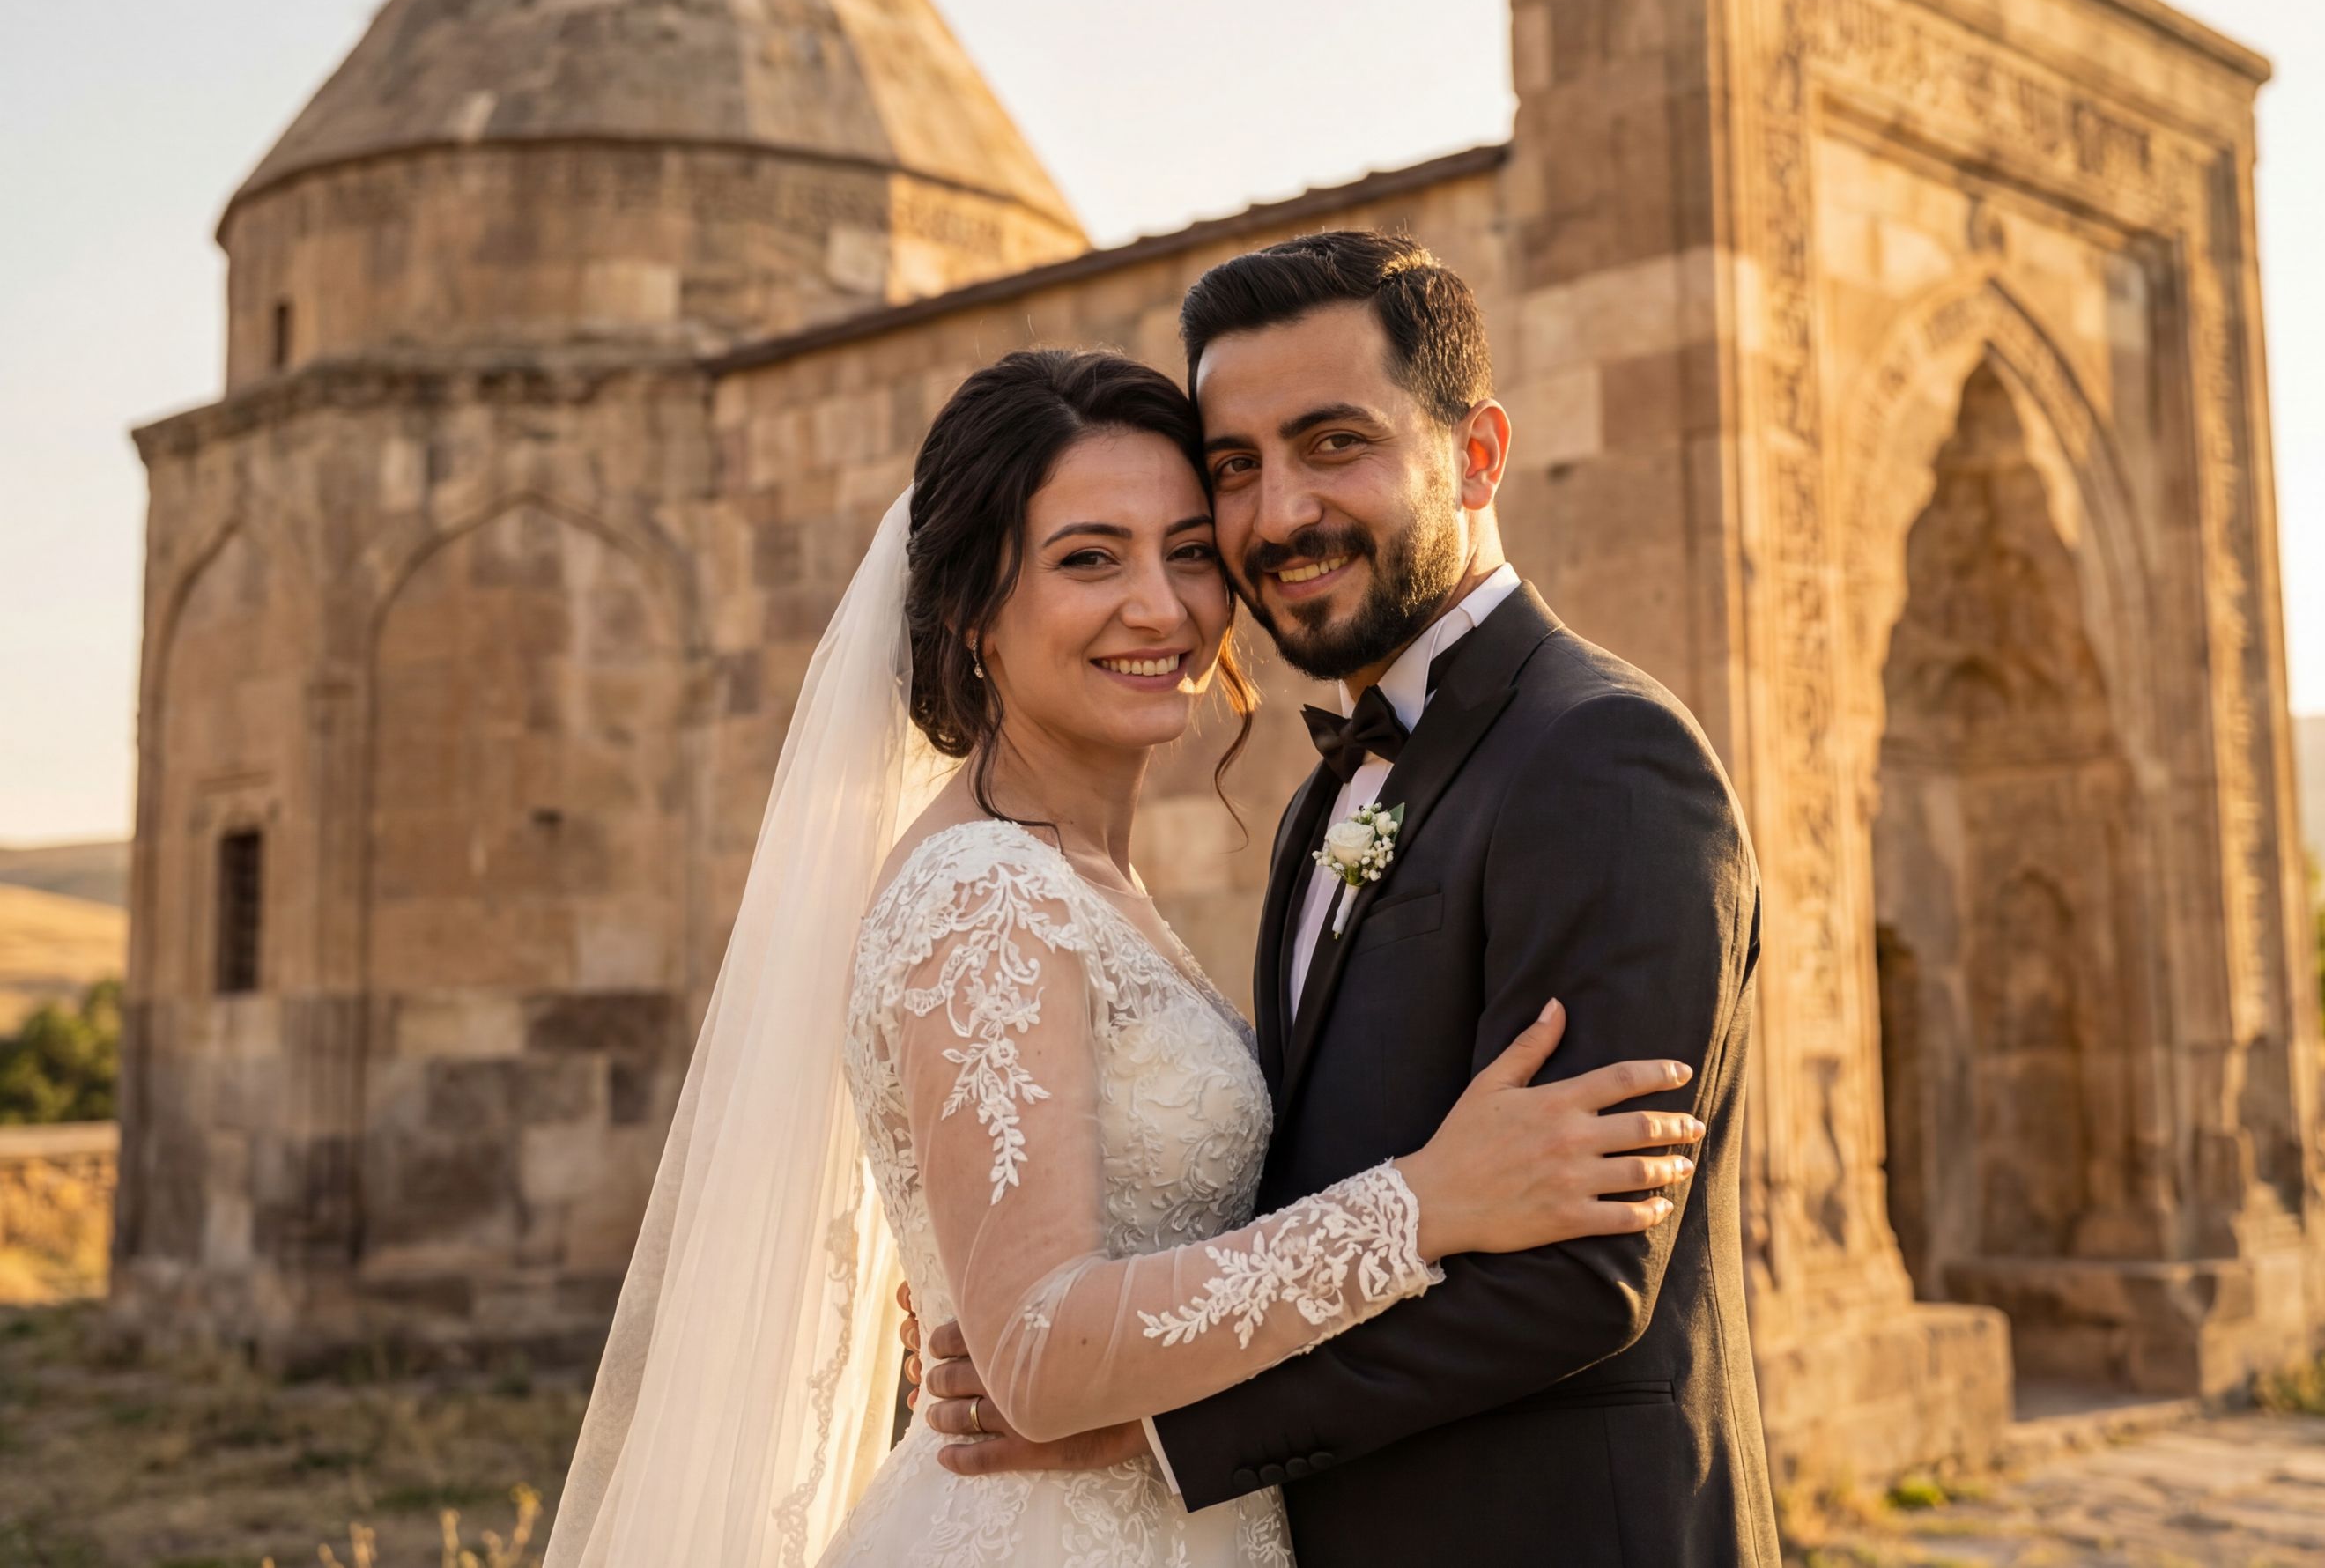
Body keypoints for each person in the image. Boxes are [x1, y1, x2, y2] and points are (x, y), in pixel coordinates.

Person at [545, 346, 1707, 1568]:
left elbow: (1056, 1285)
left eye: (1188, 551)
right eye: (1089, 558)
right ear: (969, 611)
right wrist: (1425, 1203)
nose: (1160, 606)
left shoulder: (1088, 879)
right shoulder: (983, 891)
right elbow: (1041, 1354)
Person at [916, 234, 1781, 1565]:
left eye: (1334, 444)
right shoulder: (1325, 793)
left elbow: (1579, 1273)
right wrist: (1049, 1321)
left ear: (1477, 453)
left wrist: (1149, 1430)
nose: (1278, 517)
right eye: (1237, 469)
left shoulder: (1607, 758)